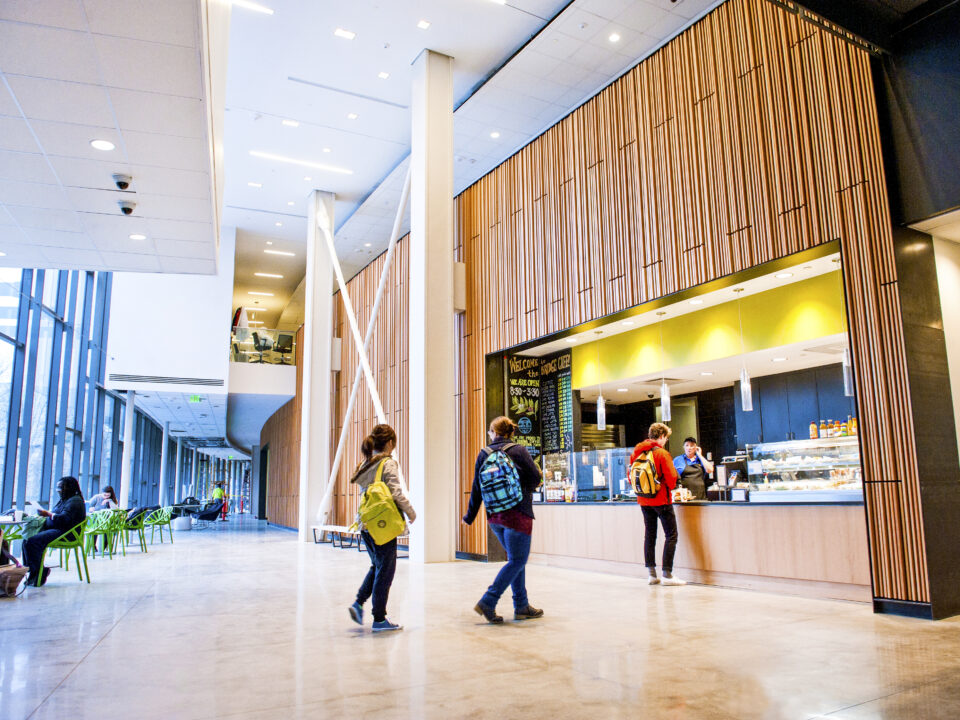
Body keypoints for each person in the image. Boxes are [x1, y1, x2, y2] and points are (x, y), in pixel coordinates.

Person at [463, 416, 544, 624]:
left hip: (494, 517)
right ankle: (488, 601)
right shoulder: (519, 450)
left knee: (515, 560)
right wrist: (522, 487)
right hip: (518, 514)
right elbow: (536, 478)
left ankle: (522, 606)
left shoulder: (484, 453)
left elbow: (476, 488)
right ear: (511, 432)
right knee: (518, 560)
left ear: (492, 432)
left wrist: (469, 516)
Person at [348, 424, 416, 633]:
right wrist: (411, 512)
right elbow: (395, 492)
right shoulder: (387, 463)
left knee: (377, 565)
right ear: (389, 443)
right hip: (383, 525)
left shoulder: (365, 463)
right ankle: (379, 619)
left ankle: (359, 603)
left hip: (365, 523)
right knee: (386, 570)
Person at [630, 423, 684, 586]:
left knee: (650, 535)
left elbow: (630, 476)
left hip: (644, 500)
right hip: (661, 499)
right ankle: (667, 574)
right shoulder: (662, 453)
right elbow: (672, 478)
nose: (666, 441)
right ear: (661, 436)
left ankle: (652, 574)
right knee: (671, 535)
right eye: (666, 438)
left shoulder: (637, 452)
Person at [22, 476, 87, 587]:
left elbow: (65, 519)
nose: (58, 490)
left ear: (69, 487)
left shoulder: (75, 501)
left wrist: (48, 514)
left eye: (61, 487)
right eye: (58, 488)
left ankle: (39, 572)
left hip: (66, 533)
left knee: (33, 541)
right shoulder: (66, 499)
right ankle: (35, 571)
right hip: (58, 530)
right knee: (27, 540)